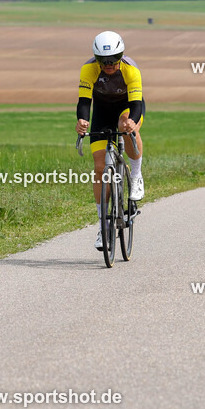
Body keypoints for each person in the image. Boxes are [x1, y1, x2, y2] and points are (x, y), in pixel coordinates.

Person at [75, 31, 145, 250]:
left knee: (125, 125)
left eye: (114, 60)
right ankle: (103, 226)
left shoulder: (131, 70)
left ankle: (136, 175)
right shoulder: (88, 69)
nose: (108, 65)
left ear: (121, 56)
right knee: (99, 168)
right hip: (102, 112)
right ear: (96, 58)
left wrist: (133, 122)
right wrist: (82, 121)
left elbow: (136, 106)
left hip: (127, 108)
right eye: (103, 61)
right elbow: (84, 101)